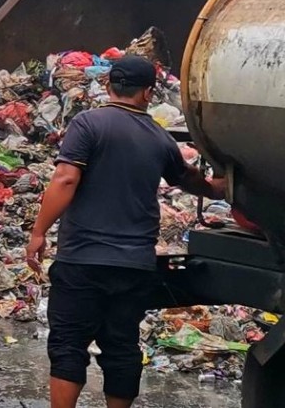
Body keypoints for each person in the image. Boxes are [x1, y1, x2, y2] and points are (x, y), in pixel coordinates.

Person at [26, 55, 226, 408]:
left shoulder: (88, 124)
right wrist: (219, 188)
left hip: (82, 261)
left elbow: (66, 177)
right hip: (134, 265)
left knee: (69, 343)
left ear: (108, 86)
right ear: (148, 93)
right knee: (121, 346)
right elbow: (190, 179)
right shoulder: (160, 139)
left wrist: (39, 231)